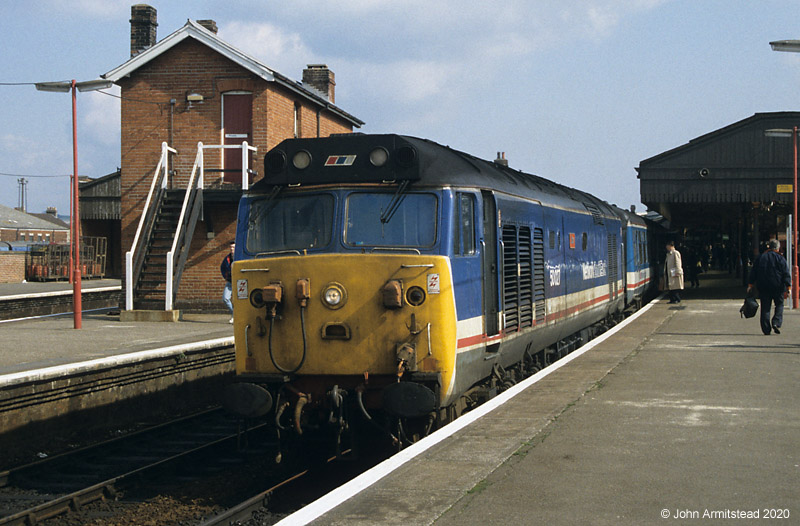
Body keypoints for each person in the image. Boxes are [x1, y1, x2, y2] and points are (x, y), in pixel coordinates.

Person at [747, 239, 791, 335]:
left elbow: (753, 272)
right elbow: (785, 273)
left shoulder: (761, 258)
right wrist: (788, 287)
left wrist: (750, 285)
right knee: (779, 304)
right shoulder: (780, 258)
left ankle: (766, 329)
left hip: (763, 286)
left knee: (765, 307)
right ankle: (776, 322)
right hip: (778, 286)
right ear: (777, 248)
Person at [220, 240, 235, 324]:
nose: (232, 249)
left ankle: (238, 316)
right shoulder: (227, 258)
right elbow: (222, 268)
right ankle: (234, 314)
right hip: (230, 282)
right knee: (225, 298)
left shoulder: (240, 257)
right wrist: (225, 276)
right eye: (231, 247)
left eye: (233, 247)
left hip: (239, 282)